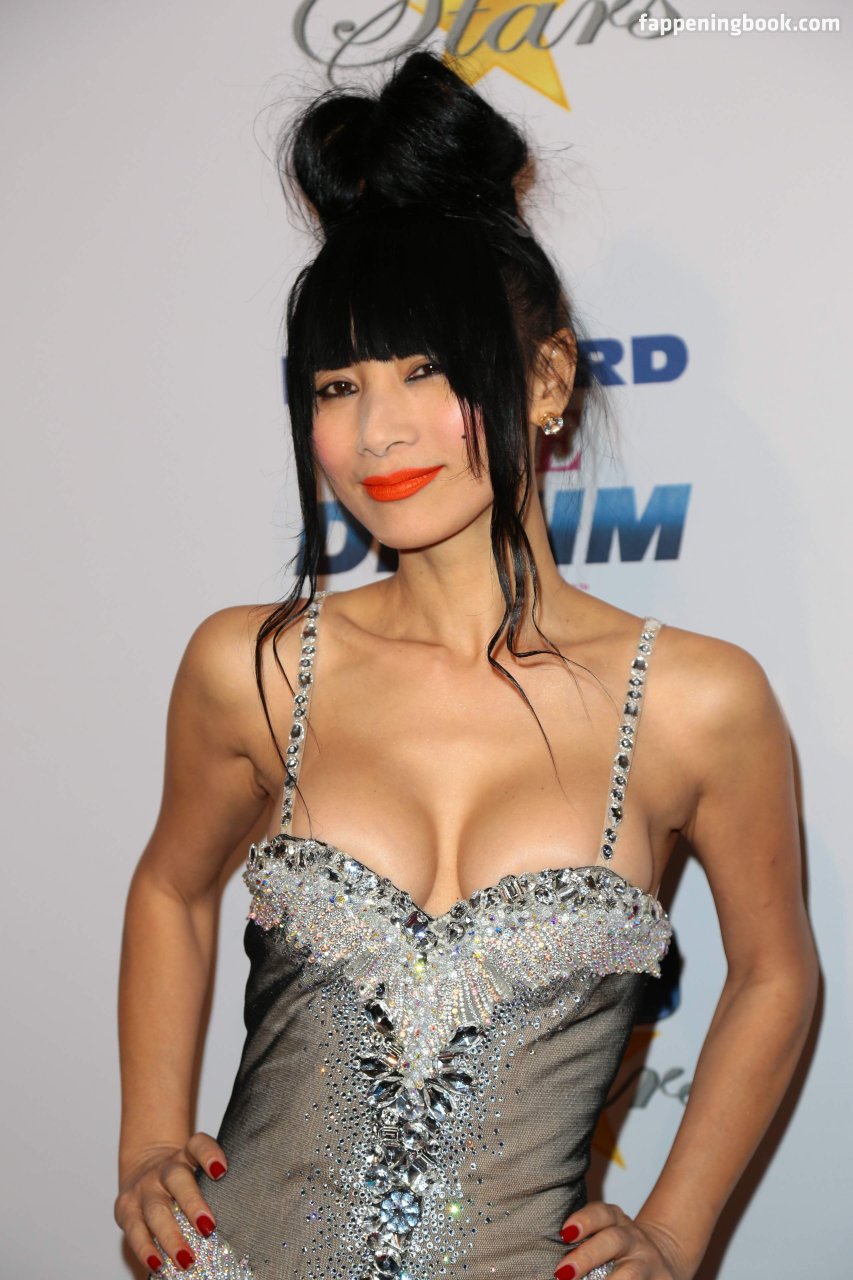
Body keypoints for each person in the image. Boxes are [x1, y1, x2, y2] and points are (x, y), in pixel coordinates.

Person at [115, 51, 818, 1280]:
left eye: (427, 369)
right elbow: (172, 888)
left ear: (545, 378)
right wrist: (146, 1143)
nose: (376, 429)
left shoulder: (696, 700)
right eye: (338, 383)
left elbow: (774, 968)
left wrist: (674, 1225)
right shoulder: (256, 666)